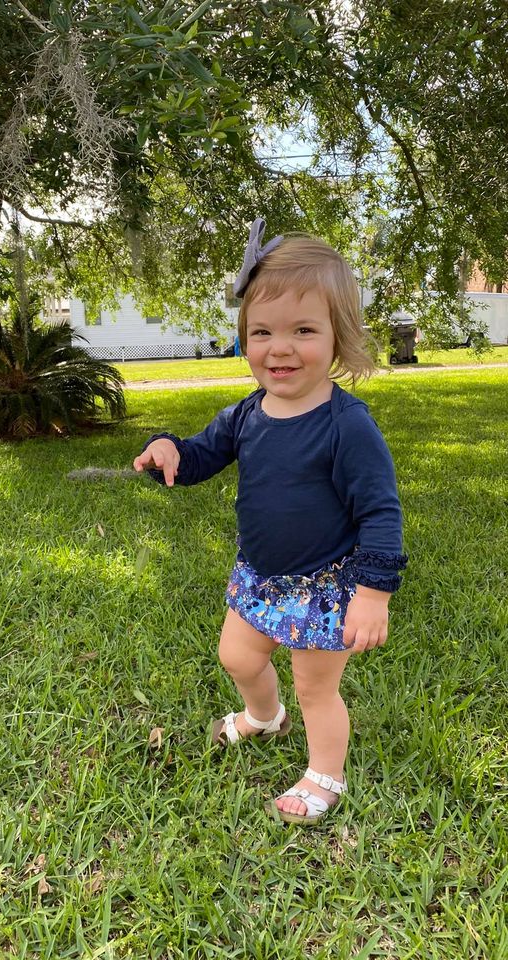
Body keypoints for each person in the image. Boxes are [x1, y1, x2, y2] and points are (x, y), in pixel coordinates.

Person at [133, 220, 407, 825]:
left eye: (303, 330)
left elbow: (381, 512)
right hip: (260, 577)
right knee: (237, 656)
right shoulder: (247, 414)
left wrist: (373, 594)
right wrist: (169, 450)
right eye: (262, 332)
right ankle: (264, 716)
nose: (279, 348)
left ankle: (325, 775)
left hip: (326, 585)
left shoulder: (347, 425)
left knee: (316, 687)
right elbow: (200, 456)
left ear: (339, 337)